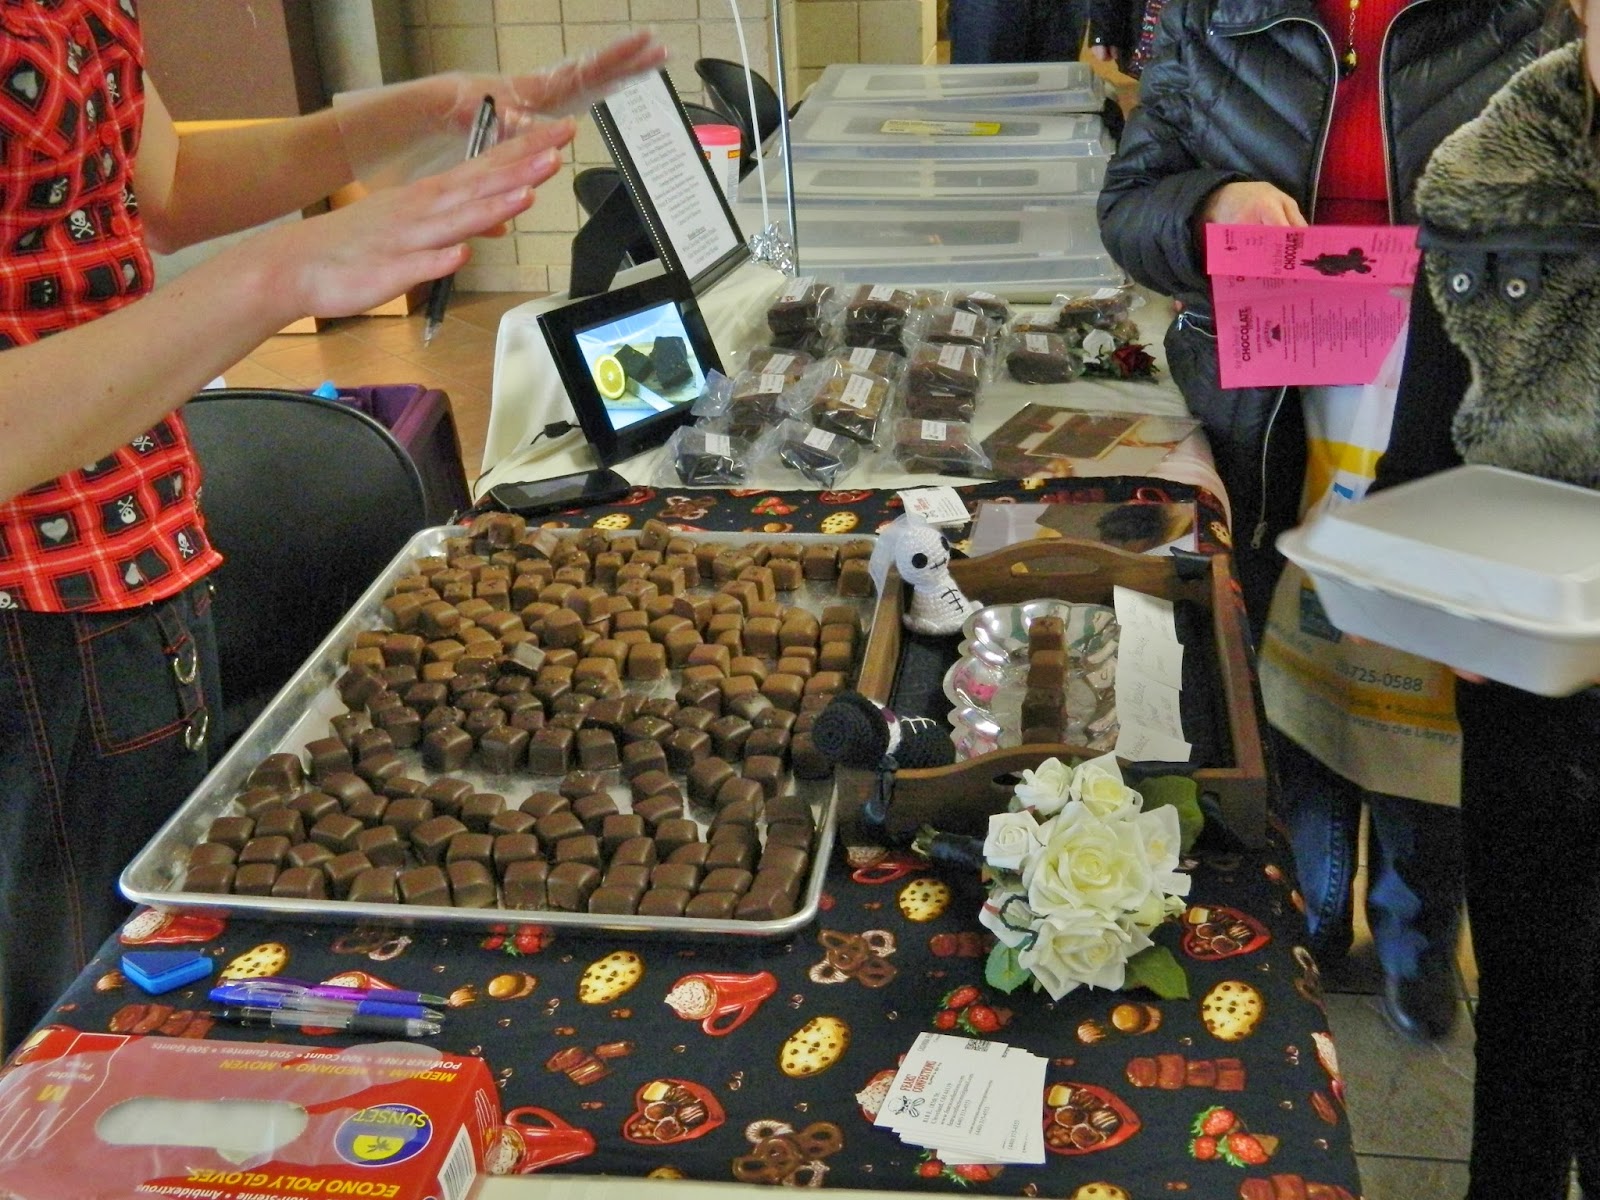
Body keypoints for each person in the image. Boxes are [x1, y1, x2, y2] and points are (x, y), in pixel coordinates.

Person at [0, 6, 664, 1053]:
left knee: (154, 967)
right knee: (69, 1019)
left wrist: (402, 121)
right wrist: (281, 274)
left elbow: (158, 184)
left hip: (142, 545)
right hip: (30, 607)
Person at [1096, 0, 1552, 1042]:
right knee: (1280, 672)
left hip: (1445, 420)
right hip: (1264, 421)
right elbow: (1130, 205)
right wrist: (1209, 208)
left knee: (1426, 693)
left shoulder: (1517, 20)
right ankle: (1305, 912)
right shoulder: (1214, 13)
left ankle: (1418, 937)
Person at [1377, 9, 1597, 1192]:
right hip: (1529, 679)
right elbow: (1424, 427)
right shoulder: (1483, 178)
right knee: (1527, 987)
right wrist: (1428, 572)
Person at [949, 0, 1134, 67]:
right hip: (987, 8)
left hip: (1061, 9)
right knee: (980, 101)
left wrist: (1105, 20)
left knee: (1052, 105)